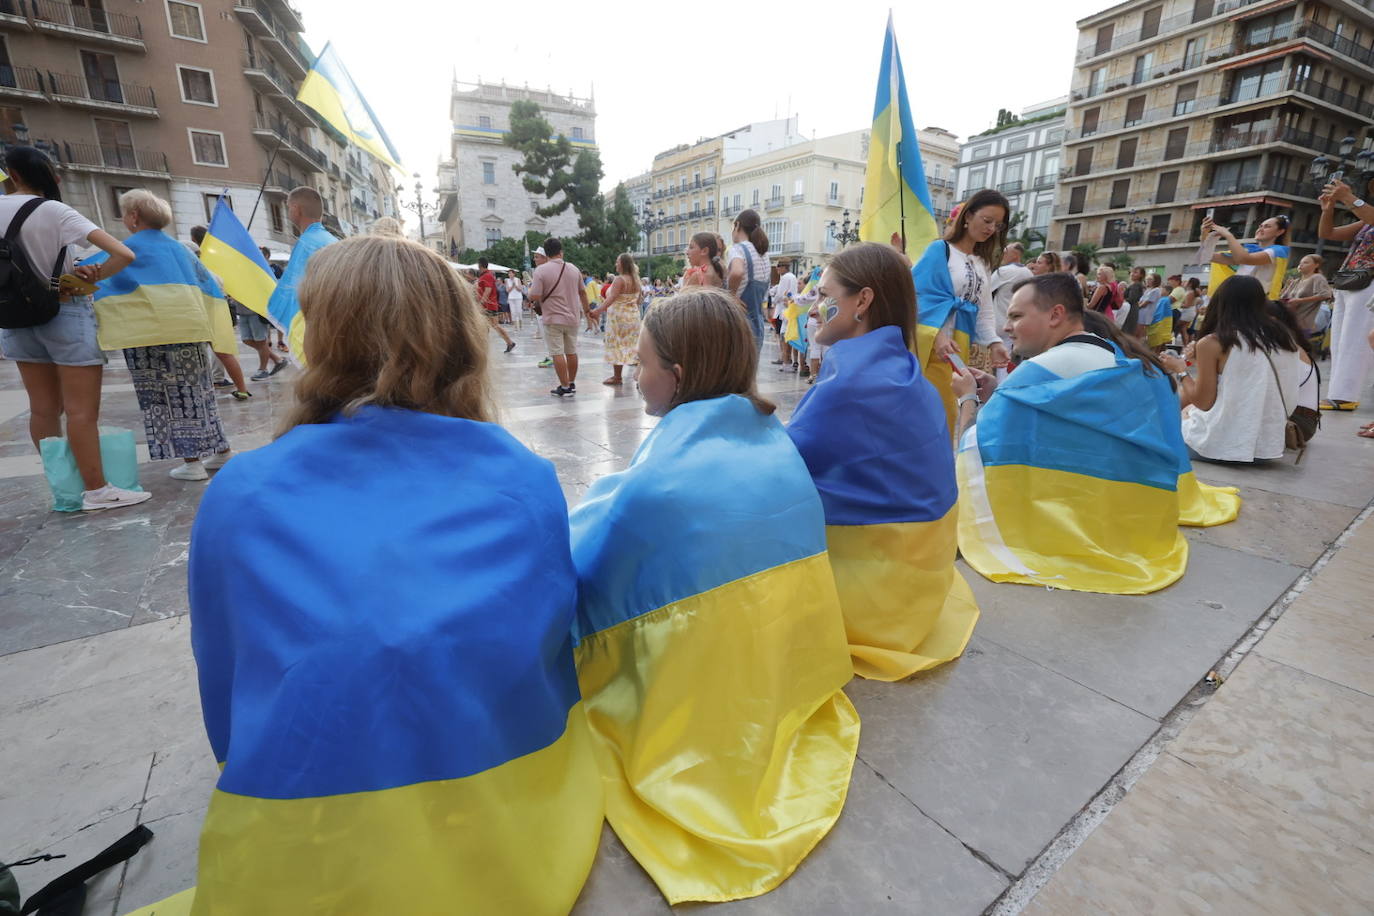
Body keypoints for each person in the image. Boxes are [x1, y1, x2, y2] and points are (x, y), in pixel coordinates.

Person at [178, 235, 602, 914]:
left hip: (307, 834)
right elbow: (547, 657)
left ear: (321, 336)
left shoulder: (242, 493)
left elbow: (226, 678)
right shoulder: (523, 479)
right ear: (460, 339)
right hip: (509, 810)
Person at [570, 287, 857, 904]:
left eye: (642, 363)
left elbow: (588, 580)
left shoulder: (661, 487)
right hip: (785, 676)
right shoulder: (773, 443)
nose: (634, 375)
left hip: (700, 697)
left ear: (676, 376)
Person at [953, 273, 1237, 595]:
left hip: (1080, 532)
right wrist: (1000, 395)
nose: (1007, 327)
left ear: (1056, 315)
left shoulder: (1039, 370)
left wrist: (967, 399)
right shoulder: (1122, 358)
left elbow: (971, 453)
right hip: (1141, 523)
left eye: (1016, 316)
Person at [788, 242, 979, 679]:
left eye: (825, 294)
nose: (814, 307)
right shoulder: (901, 364)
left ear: (863, 300)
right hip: (921, 581)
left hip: (879, 601)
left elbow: (784, 464)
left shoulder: (852, 380)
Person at [0, 146, 149, 510]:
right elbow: (124, 254)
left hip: (14, 317)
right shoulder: (53, 210)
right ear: (50, 177)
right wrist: (85, 278)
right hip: (64, 311)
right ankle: (97, 490)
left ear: (12, 175)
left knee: (42, 409)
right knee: (82, 411)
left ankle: (65, 488)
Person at [1169, 275, 1304, 463]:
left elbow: (1203, 402)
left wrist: (1180, 369)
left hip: (1219, 446)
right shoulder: (1283, 338)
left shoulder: (1216, 341)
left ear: (1219, 302)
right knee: (1187, 408)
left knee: (1175, 411)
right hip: (1267, 448)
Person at [911, 188, 1011, 437]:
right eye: (987, 220)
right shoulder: (939, 250)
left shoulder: (982, 263)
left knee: (948, 414)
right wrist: (937, 336)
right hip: (929, 346)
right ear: (967, 216)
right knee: (926, 414)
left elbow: (983, 311)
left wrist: (994, 342)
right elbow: (913, 297)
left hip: (959, 347)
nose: (990, 229)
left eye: (997, 225)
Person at [1317, 178, 1374, 412]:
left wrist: (1347, 197)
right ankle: (1338, 392)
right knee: (1340, 339)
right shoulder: (1366, 221)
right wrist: (1328, 208)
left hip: (1368, 281)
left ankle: (1344, 395)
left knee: (1355, 339)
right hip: (1349, 278)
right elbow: (1327, 232)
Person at [268, 186, 336, 360]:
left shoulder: (306, 244)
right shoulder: (333, 241)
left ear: (296, 209)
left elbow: (294, 292)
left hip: (316, 328)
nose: (288, 211)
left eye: (289, 207)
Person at [188, 224, 251, 399]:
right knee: (224, 354)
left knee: (196, 357)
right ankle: (242, 389)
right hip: (217, 315)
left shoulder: (185, 273)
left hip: (198, 319)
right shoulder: (210, 271)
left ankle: (200, 390)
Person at [527, 237, 589, 397]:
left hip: (553, 318)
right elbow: (582, 292)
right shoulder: (574, 269)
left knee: (557, 352)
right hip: (573, 318)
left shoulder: (541, 270)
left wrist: (528, 292)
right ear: (561, 252)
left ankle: (565, 386)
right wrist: (588, 311)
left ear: (546, 254)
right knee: (571, 351)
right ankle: (572, 383)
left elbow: (534, 295)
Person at [1204, 214, 1291, 300]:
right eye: (1260, 226)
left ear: (1280, 232)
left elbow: (1244, 259)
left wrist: (1229, 235)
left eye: (1267, 227)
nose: (1260, 229)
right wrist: (1204, 234)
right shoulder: (1248, 252)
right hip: (1238, 299)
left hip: (1256, 303)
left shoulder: (1279, 251)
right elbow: (1207, 256)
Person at [589, 253, 641, 386]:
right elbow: (639, 300)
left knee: (617, 345)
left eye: (617, 262)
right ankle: (640, 376)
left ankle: (617, 377)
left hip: (618, 318)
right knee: (633, 345)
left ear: (623, 264)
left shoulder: (620, 279)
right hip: (633, 317)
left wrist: (597, 311)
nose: (615, 264)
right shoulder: (636, 279)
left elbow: (611, 298)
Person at [725, 208, 770, 347]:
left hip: (739, 324)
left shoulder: (737, 249)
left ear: (737, 225)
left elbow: (737, 272)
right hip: (757, 326)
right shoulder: (764, 254)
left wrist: (731, 296)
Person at [989, 242, 1034, 357]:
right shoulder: (1029, 273)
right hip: (1016, 322)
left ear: (1015, 255)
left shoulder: (1004, 271)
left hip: (997, 321)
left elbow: (985, 290)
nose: (1003, 255)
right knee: (1007, 356)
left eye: (1005, 252)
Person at [1279, 254, 1332, 342]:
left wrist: (1301, 300)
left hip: (1303, 323)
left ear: (1316, 265)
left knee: (1297, 348)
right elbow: (1282, 297)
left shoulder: (1317, 277)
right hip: (1288, 321)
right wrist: (1286, 286)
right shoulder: (1296, 281)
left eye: (1306, 262)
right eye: (1301, 263)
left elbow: (1326, 294)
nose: (1302, 264)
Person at [476, 257, 515, 352]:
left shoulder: (487, 276)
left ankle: (509, 342)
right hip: (488, 305)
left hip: (488, 306)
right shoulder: (485, 275)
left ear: (480, 265)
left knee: (493, 326)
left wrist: (481, 303)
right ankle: (508, 342)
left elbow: (488, 290)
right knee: (489, 326)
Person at [1143, 272, 1171, 348]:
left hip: (1154, 318)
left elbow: (1146, 303)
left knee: (1151, 338)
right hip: (1149, 316)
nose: (1147, 281)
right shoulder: (1148, 290)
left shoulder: (1157, 292)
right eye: (1147, 279)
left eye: (1150, 279)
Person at [1178, 277, 1204, 345]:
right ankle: (1185, 346)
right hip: (1190, 312)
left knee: (1178, 327)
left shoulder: (1190, 293)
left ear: (1190, 283)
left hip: (1187, 312)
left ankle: (1185, 345)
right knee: (1183, 329)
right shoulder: (1192, 292)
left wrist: (1178, 305)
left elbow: (1187, 305)